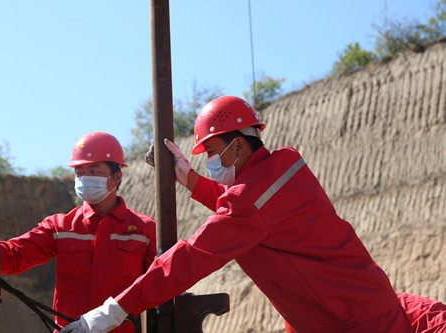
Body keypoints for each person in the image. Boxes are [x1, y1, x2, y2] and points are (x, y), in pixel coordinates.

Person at [60, 96, 412, 332]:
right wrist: (189, 178)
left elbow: (192, 255)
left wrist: (113, 311)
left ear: (239, 144)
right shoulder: (284, 167)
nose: (209, 161)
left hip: (352, 322)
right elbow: (248, 213)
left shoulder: (251, 201)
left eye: (211, 151)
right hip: (355, 309)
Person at [0, 131, 156, 333]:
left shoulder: (144, 230)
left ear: (116, 177)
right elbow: (14, 255)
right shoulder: (60, 226)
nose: (85, 178)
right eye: (80, 172)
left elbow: (159, 284)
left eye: (94, 171)